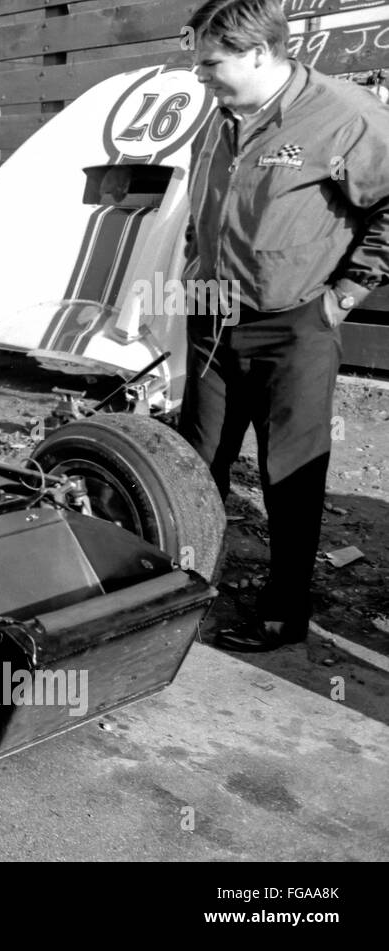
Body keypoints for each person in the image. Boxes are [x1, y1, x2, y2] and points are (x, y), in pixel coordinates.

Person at [180, 0, 389, 652]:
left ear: (258, 54)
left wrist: (347, 293)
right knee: (196, 465)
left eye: (210, 63)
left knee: (289, 476)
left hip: (295, 325)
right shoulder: (219, 119)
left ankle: (284, 613)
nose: (199, 75)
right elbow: (205, 206)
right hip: (214, 322)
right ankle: (182, 592)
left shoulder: (344, 116)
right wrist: (193, 259)